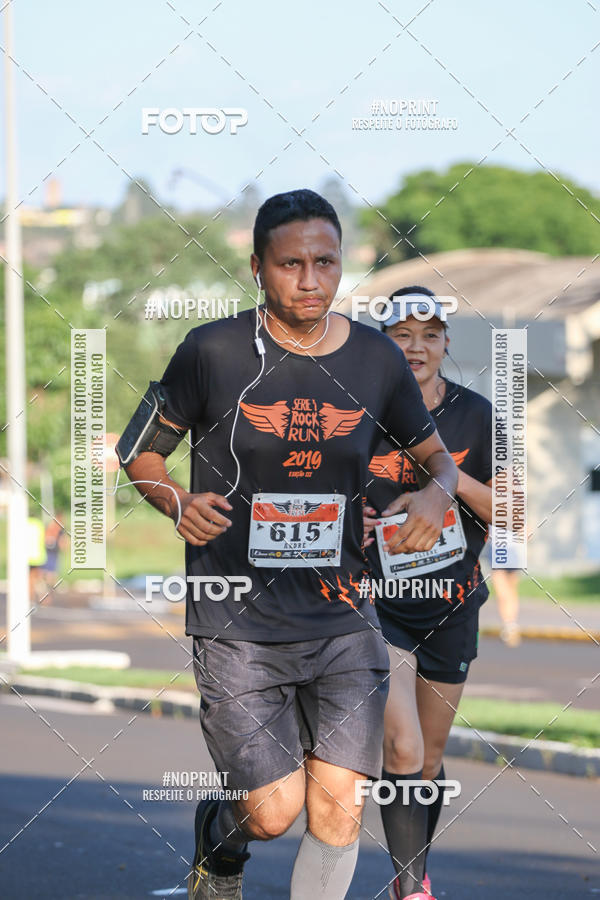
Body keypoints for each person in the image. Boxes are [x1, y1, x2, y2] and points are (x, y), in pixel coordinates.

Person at [118, 191, 458, 900]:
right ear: (257, 268)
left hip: (342, 615)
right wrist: (174, 499)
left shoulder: (375, 358)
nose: (310, 280)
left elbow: (436, 457)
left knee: (337, 807)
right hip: (236, 620)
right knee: (272, 813)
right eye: (291, 263)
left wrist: (437, 492)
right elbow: (139, 454)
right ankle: (220, 850)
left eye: (326, 262)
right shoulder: (210, 350)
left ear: (343, 266)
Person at [363, 286, 493, 900]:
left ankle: (406, 872)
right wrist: (349, 521)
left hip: (452, 600)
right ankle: (414, 889)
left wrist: (446, 476)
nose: (416, 346)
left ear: (446, 344)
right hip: (375, 600)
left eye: (430, 335)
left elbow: (510, 513)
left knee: (432, 758)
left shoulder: (478, 413)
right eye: (401, 335)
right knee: (402, 742)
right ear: (382, 343)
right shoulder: (359, 409)